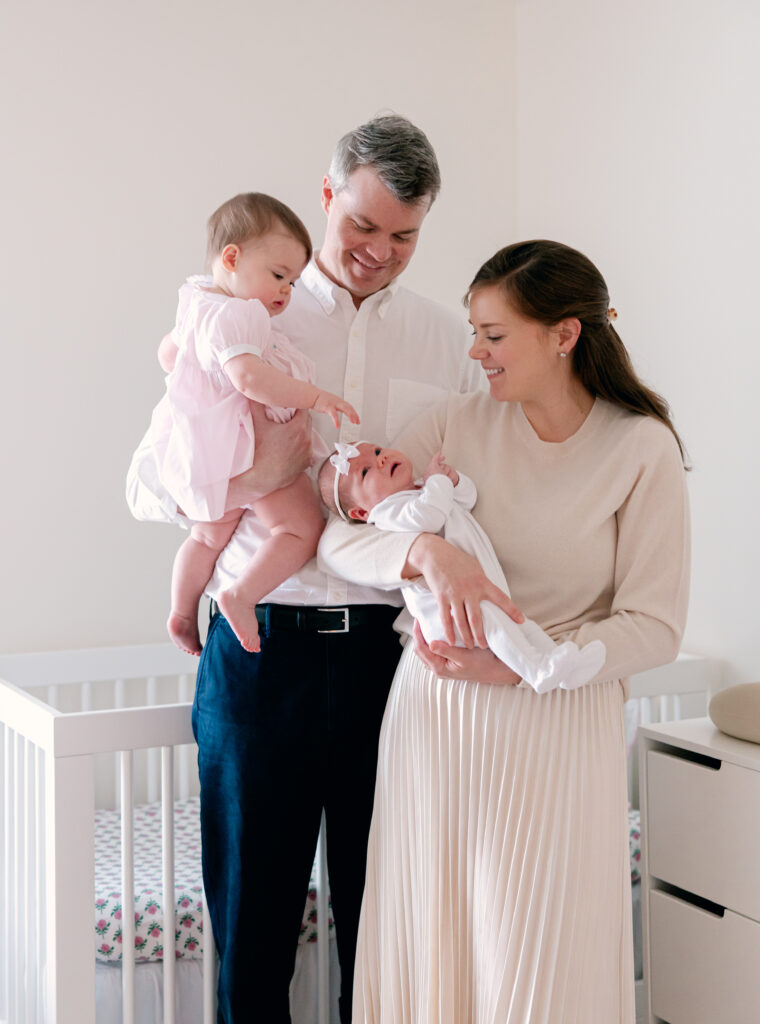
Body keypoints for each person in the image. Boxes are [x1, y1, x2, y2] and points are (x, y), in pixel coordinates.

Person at [126, 115, 485, 1024]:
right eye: (363, 226)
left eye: (405, 236)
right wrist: (264, 479)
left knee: (389, 926)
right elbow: (149, 483)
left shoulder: (448, 344)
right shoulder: (243, 317)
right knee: (252, 926)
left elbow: (473, 490)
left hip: (389, 661)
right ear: (328, 199)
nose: (379, 252)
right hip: (262, 650)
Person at [318, 240, 690, 1023]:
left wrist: (529, 666)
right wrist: (426, 551)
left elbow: (654, 626)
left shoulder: (639, 447)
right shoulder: (453, 420)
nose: (474, 352)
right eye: (472, 330)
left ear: (564, 335)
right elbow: (340, 537)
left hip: (556, 725)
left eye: (493, 335)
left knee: (537, 955)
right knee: (433, 941)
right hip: (438, 723)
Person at [148, 192, 358, 656]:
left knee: (206, 536)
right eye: (279, 276)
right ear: (231, 258)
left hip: (210, 453)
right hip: (255, 445)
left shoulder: (195, 302)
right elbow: (248, 378)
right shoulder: (241, 314)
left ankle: (182, 612)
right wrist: (315, 397)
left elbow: (168, 357)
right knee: (301, 529)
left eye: (294, 282)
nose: (286, 291)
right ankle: (239, 596)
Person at [317, 441, 607, 692]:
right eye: (366, 471)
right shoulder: (388, 514)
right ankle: (536, 671)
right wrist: (437, 481)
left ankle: (561, 664)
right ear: (361, 512)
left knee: (519, 624)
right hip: (449, 611)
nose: (380, 459)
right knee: (496, 625)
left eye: (378, 450)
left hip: (473, 588)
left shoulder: (419, 490)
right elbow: (429, 517)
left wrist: (454, 481)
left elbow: (468, 499)